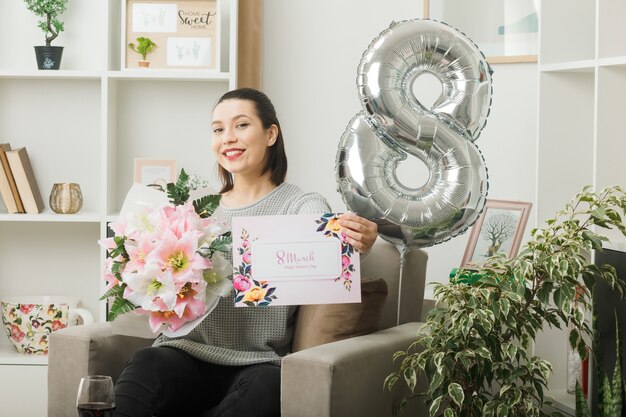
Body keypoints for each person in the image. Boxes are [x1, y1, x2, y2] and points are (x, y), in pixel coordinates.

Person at [113, 87, 378, 417]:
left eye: (241, 125)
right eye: (218, 129)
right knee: (146, 363)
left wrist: (360, 242)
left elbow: (330, 259)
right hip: (183, 352)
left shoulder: (300, 206)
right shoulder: (193, 210)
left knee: (268, 387)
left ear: (270, 134)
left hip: (256, 363)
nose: (228, 138)